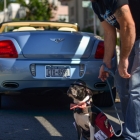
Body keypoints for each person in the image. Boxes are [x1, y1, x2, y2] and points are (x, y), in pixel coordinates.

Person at [90, 0, 140, 139]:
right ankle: (130, 129)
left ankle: (133, 135)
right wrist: (106, 64)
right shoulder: (96, 4)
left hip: (132, 33)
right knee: (122, 86)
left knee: (136, 88)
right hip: (131, 37)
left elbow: (128, 25)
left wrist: (123, 59)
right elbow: (109, 32)